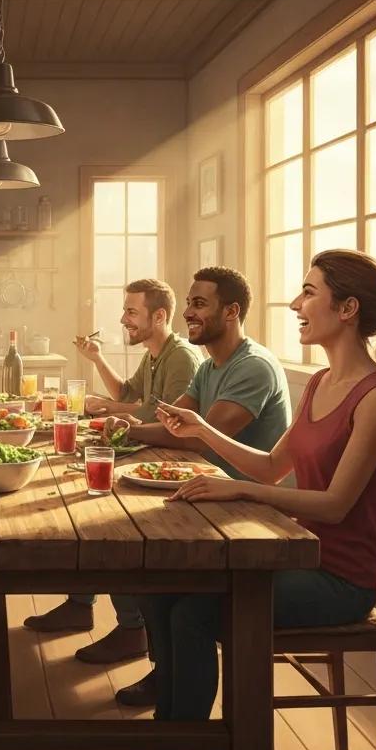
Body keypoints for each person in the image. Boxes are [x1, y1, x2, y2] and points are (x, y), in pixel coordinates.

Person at [104, 250, 376, 750]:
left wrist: (240, 490)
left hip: (339, 577)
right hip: (297, 556)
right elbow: (271, 465)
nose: (296, 304)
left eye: (308, 292)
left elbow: (336, 503)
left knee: (194, 613)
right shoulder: (321, 381)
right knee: (159, 589)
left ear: (347, 309)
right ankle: (172, 746)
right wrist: (202, 430)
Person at [113, 266, 292, 707]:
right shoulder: (210, 364)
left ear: (231, 312)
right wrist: (123, 429)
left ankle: (181, 720)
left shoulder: (253, 367)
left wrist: (131, 431)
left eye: (198, 303)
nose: (188, 312)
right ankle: (167, 683)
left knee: (146, 561)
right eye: (189, 302)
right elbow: (176, 424)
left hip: (248, 511)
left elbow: (202, 431)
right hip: (206, 493)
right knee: (141, 570)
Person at [23, 279, 200, 665]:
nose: (123, 319)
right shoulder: (154, 354)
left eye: (131, 312)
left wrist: (100, 408)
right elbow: (127, 397)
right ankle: (80, 603)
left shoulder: (181, 357)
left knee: (106, 521)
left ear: (159, 316)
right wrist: (98, 362)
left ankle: (132, 629)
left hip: (170, 461)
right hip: (143, 449)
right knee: (78, 501)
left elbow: (164, 419)